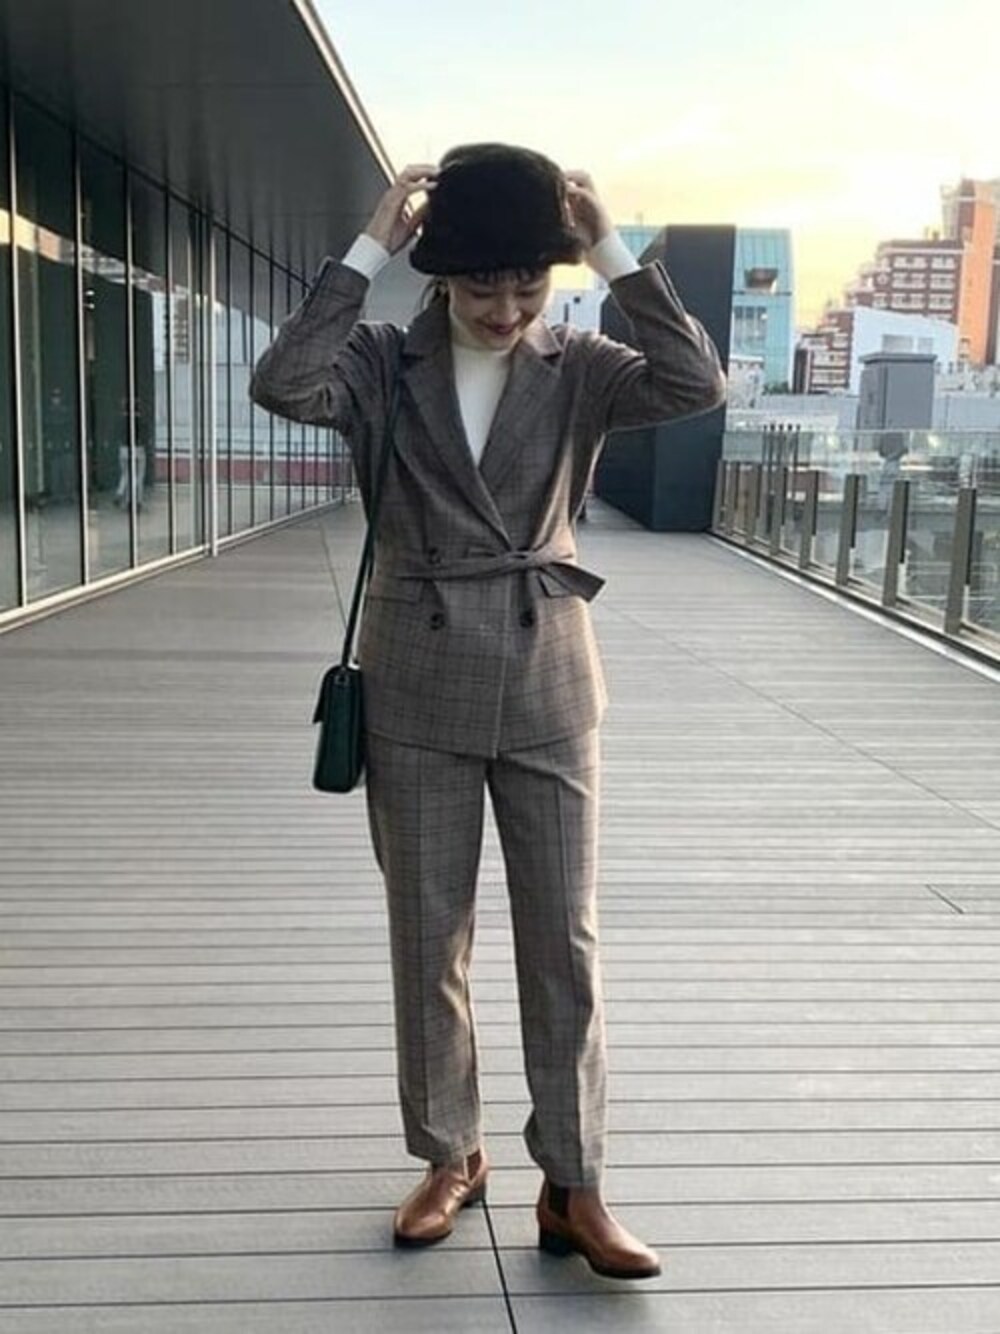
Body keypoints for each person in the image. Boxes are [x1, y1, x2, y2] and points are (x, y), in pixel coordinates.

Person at [251, 143, 724, 1280]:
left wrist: (611, 249)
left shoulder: (582, 364)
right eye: (481, 285)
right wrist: (369, 247)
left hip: (548, 676)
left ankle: (574, 1183)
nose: (507, 309)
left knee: (564, 940)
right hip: (415, 677)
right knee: (430, 938)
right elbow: (282, 382)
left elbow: (696, 384)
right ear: (438, 273)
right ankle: (451, 1154)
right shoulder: (379, 361)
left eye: (528, 283)